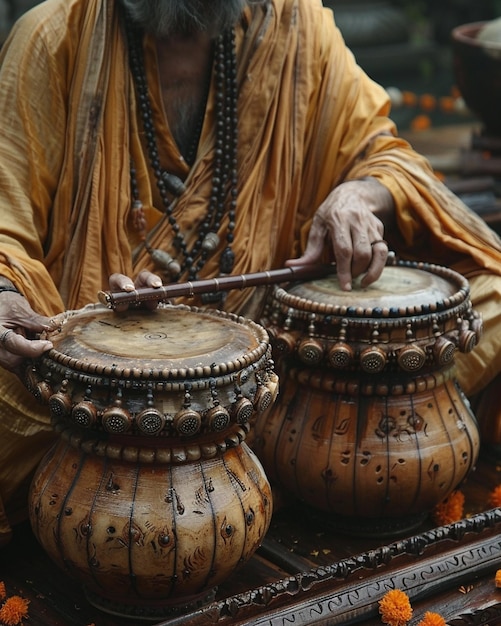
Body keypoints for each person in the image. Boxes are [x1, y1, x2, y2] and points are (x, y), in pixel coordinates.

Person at [0, 0, 500, 548]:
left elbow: (382, 153)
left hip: (272, 371)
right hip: (96, 398)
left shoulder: (297, 29)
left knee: (487, 299)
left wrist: (359, 195)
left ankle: (257, 445)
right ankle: (277, 456)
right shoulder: (53, 37)